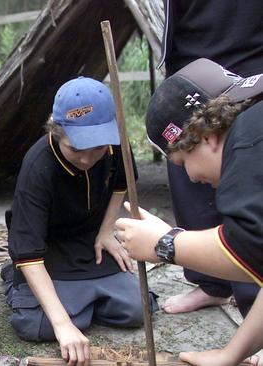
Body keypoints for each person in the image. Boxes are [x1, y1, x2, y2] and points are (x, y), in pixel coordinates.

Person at [116, 58, 263, 365]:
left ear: (207, 136)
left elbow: (249, 248)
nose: (192, 178)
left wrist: (164, 244)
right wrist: (230, 354)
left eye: (182, 163)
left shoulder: (247, 142)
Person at [3, 77, 152, 365]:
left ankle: (78, 301)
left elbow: (123, 182)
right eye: (76, 148)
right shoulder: (38, 165)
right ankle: (16, 281)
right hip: (47, 248)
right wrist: (63, 324)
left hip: (89, 239)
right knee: (38, 325)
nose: (86, 159)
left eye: (95, 149)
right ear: (55, 130)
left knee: (137, 311)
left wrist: (107, 231)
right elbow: (28, 249)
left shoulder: (114, 144)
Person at [157, 0, 263, 315]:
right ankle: (213, 283)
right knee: (193, 186)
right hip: (191, 55)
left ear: (210, 136)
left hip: (248, 55)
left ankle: (252, 298)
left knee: (245, 190)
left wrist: (162, 244)